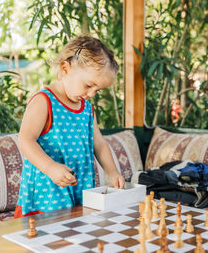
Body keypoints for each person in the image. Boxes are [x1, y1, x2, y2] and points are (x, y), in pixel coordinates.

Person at [14, 36, 125, 218]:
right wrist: (50, 168)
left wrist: (112, 172)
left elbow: (99, 144)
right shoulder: (44, 101)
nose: (91, 94)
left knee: (74, 240)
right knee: (44, 241)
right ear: (66, 68)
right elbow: (25, 140)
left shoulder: (87, 109)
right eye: (88, 85)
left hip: (79, 189)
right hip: (47, 193)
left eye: (97, 90)